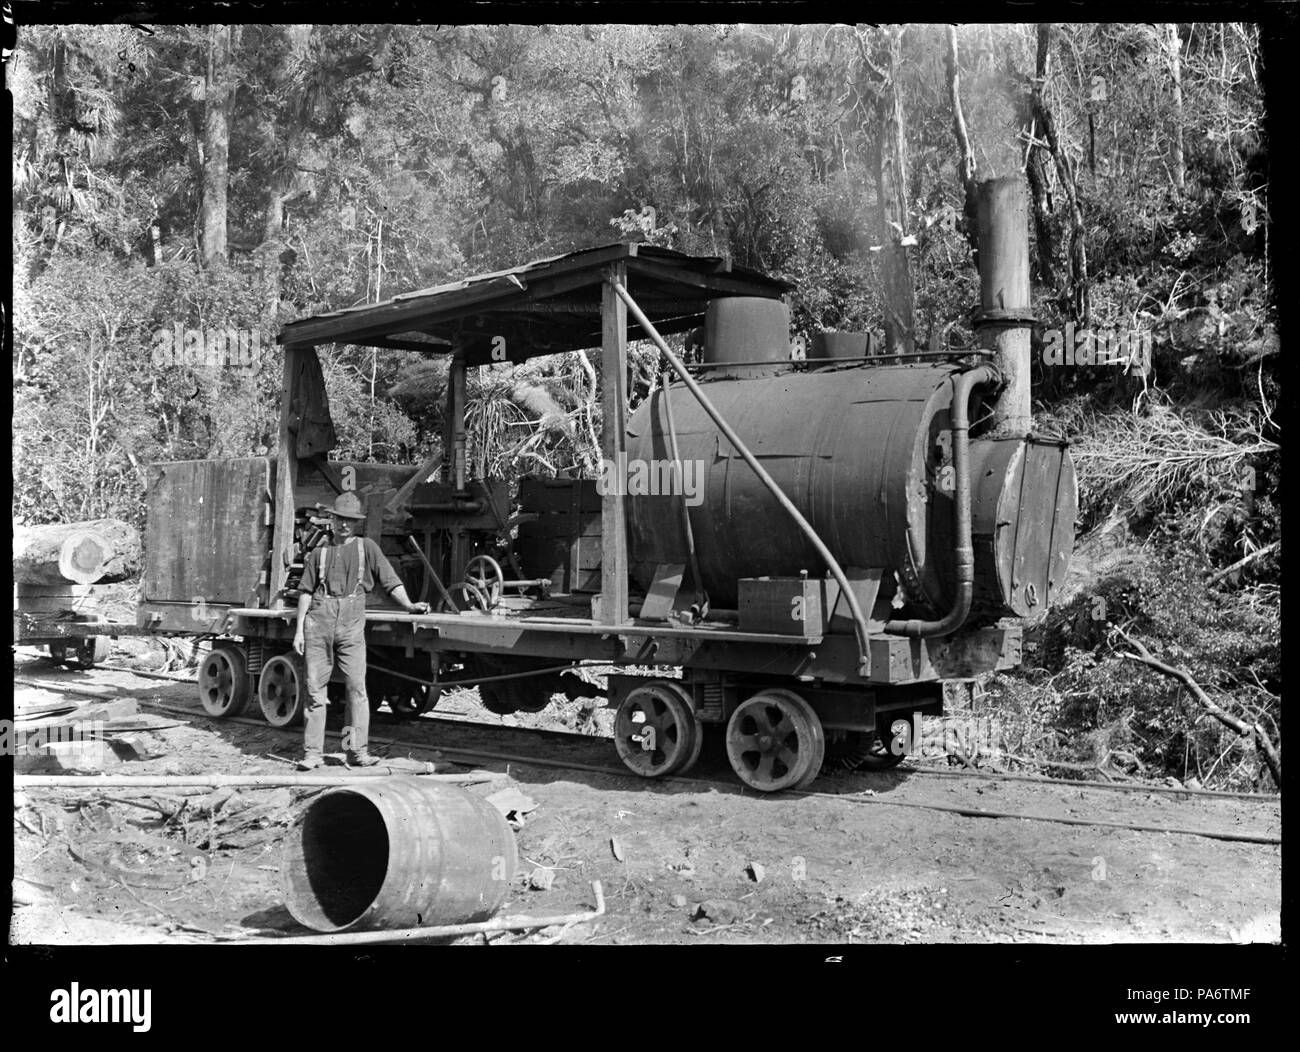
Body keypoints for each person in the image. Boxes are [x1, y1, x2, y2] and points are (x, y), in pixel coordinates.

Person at [292, 492, 429, 769]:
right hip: (318, 622)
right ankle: (312, 755)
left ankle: (357, 752)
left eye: (350, 521)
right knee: (315, 691)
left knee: (357, 689)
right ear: (331, 519)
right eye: (340, 519)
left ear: (356, 523)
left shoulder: (367, 548)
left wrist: (409, 605)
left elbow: (390, 582)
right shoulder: (319, 553)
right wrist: (298, 631)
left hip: (352, 625)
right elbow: (306, 593)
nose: (344, 525)